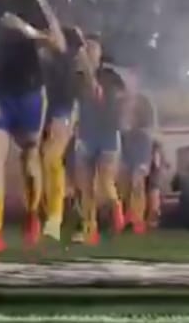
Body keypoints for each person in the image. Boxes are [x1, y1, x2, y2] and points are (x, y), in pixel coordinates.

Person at [0, 0, 66, 258]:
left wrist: (26, 30)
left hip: (28, 89)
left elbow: (58, 44)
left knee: (29, 158)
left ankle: (32, 215)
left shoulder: (33, 1)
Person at [71, 35, 127, 244]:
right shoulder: (76, 77)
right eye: (86, 47)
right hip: (86, 133)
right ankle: (89, 228)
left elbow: (117, 98)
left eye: (93, 47)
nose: (89, 51)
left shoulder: (110, 76)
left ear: (100, 53)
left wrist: (122, 118)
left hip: (107, 132)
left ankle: (116, 207)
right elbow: (74, 103)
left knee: (105, 181)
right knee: (85, 186)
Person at [39, 25, 85, 241]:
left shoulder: (64, 60)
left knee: (53, 160)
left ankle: (56, 220)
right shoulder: (54, 60)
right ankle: (71, 219)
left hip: (63, 113)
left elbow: (68, 97)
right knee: (56, 167)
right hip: (52, 114)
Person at [120, 91, 157, 235]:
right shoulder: (127, 133)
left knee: (137, 186)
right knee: (125, 188)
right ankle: (128, 217)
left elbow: (144, 154)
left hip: (139, 157)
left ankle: (137, 220)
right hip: (128, 157)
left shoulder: (144, 135)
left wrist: (141, 166)